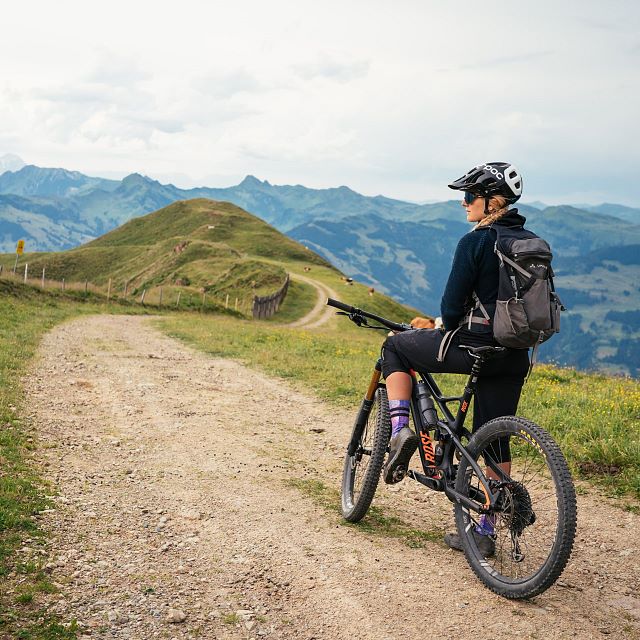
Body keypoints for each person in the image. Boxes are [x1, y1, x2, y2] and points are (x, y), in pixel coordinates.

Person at [381, 162, 531, 557]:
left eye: (469, 197)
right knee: (493, 436)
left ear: (489, 201)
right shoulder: (531, 241)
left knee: (395, 347)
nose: (464, 204)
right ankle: (484, 531)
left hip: (472, 346)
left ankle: (398, 431)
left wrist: (433, 323)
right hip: (515, 355)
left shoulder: (475, 242)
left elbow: (451, 305)